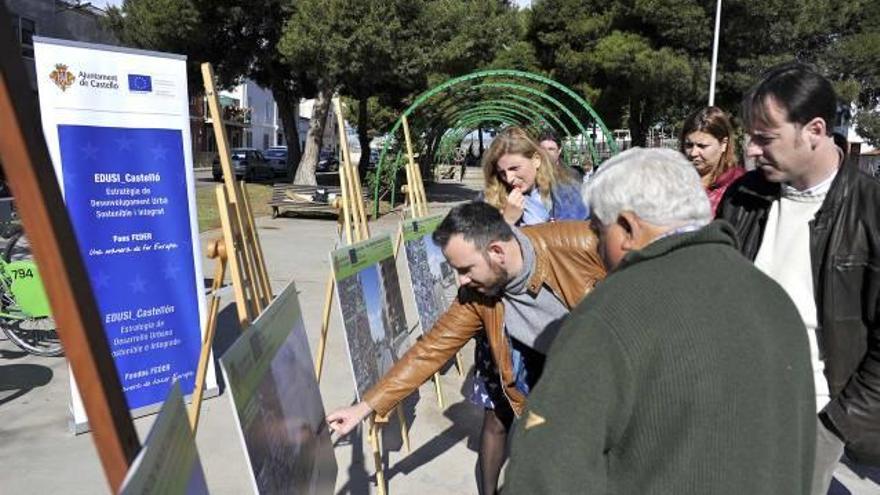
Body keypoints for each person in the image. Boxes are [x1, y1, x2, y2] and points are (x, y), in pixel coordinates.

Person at [505, 147, 816, 494]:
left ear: (626, 228)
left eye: (597, 231)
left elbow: (544, 469)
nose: (594, 248)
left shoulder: (613, 309)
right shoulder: (776, 302)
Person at [326, 202, 605, 494]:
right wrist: (365, 406)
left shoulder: (583, 243)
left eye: (466, 269)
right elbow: (431, 349)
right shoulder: (475, 295)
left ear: (497, 251)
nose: (461, 280)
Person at [717, 62, 880, 494]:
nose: (750, 150)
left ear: (814, 130)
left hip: (821, 418)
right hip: (737, 407)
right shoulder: (742, 198)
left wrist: (833, 427)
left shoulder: (872, 211)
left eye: (764, 138)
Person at [474, 126, 589, 493]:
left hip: (557, 324)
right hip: (504, 326)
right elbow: (477, 263)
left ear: (537, 160)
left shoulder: (569, 194)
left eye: (515, 169)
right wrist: (505, 221)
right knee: (497, 417)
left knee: (545, 417)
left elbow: (586, 250)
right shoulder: (494, 201)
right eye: (502, 171)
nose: (509, 178)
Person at [680, 106, 745, 214]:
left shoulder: (738, 187)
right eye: (689, 145)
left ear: (723, 144)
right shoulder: (674, 181)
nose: (693, 153)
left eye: (702, 146)